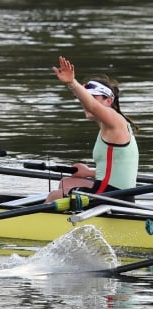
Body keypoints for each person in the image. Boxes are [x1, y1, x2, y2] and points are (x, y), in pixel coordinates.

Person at [46, 56, 139, 202]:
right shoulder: (111, 126)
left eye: (93, 97)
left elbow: (93, 106)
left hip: (109, 197)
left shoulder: (115, 121)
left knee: (53, 197)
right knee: (66, 183)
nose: (85, 104)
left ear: (109, 101)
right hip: (116, 193)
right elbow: (117, 169)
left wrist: (72, 83)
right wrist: (89, 172)